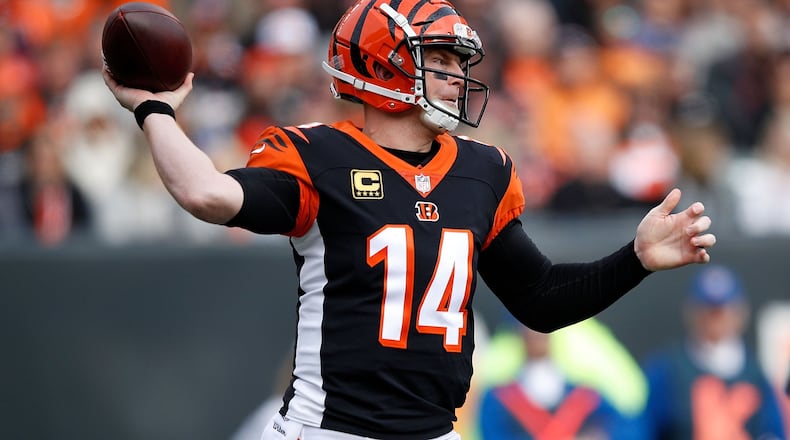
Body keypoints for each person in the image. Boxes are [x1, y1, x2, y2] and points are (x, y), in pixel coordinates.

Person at [102, 1, 715, 439]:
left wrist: (634, 259)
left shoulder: (484, 171)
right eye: (440, 60)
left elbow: (540, 301)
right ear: (382, 67)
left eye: (457, 61)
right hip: (331, 430)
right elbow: (208, 194)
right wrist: (155, 108)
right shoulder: (319, 156)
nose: (457, 77)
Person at [640, 264, 786, 439]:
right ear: (691, 312)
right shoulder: (667, 370)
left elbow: (773, 430)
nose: (716, 321)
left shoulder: (756, 373)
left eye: (722, 312)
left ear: (740, 313)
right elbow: (643, 428)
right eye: (708, 312)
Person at [478, 325, 643, 439]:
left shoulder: (584, 395)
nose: (537, 335)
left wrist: (596, 436)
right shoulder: (498, 400)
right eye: (529, 329)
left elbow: (627, 428)